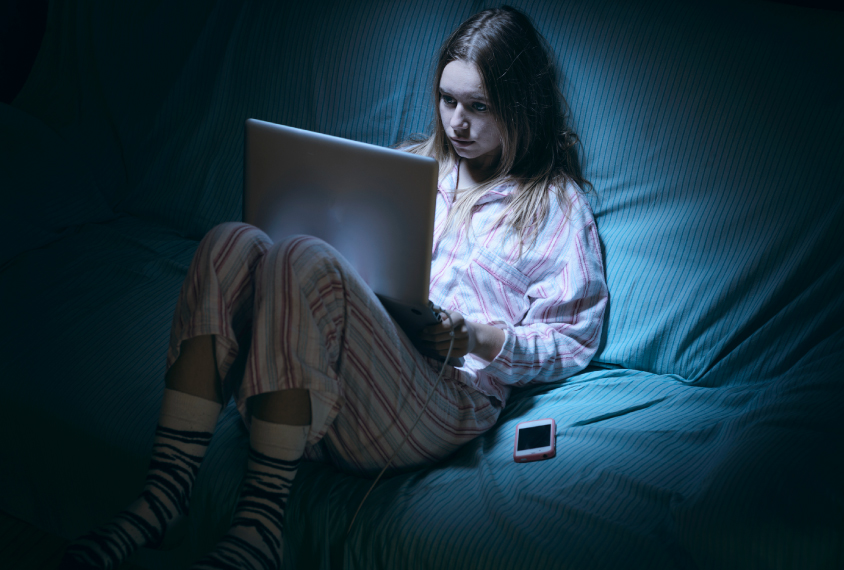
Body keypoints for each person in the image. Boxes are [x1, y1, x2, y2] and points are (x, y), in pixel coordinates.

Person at [59, 6, 608, 570]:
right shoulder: (409, 165)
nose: (457, 123)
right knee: (231, 240)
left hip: (444, 398)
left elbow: (575, 338)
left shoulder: (556, 206)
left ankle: (258, 531)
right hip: (314, 370)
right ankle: (163, 499)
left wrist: (479, 337)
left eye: (479, 106)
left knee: (302, 255)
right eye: (448, 101)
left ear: (521, 105)